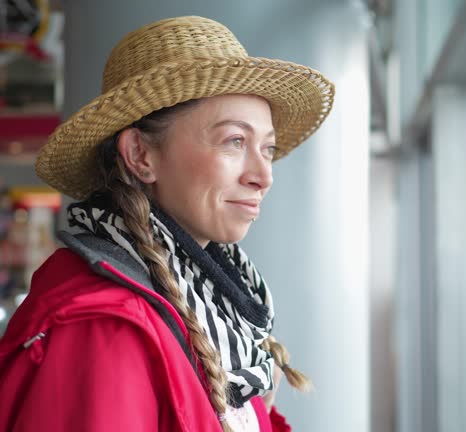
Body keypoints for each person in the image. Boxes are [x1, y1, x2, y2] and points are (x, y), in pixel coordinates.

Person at [0, 15, 334, 432]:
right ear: (141, 155)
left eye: (267, 148)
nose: (263, 176)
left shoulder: (217, 312)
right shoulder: (105, 330)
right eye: (235, 141)